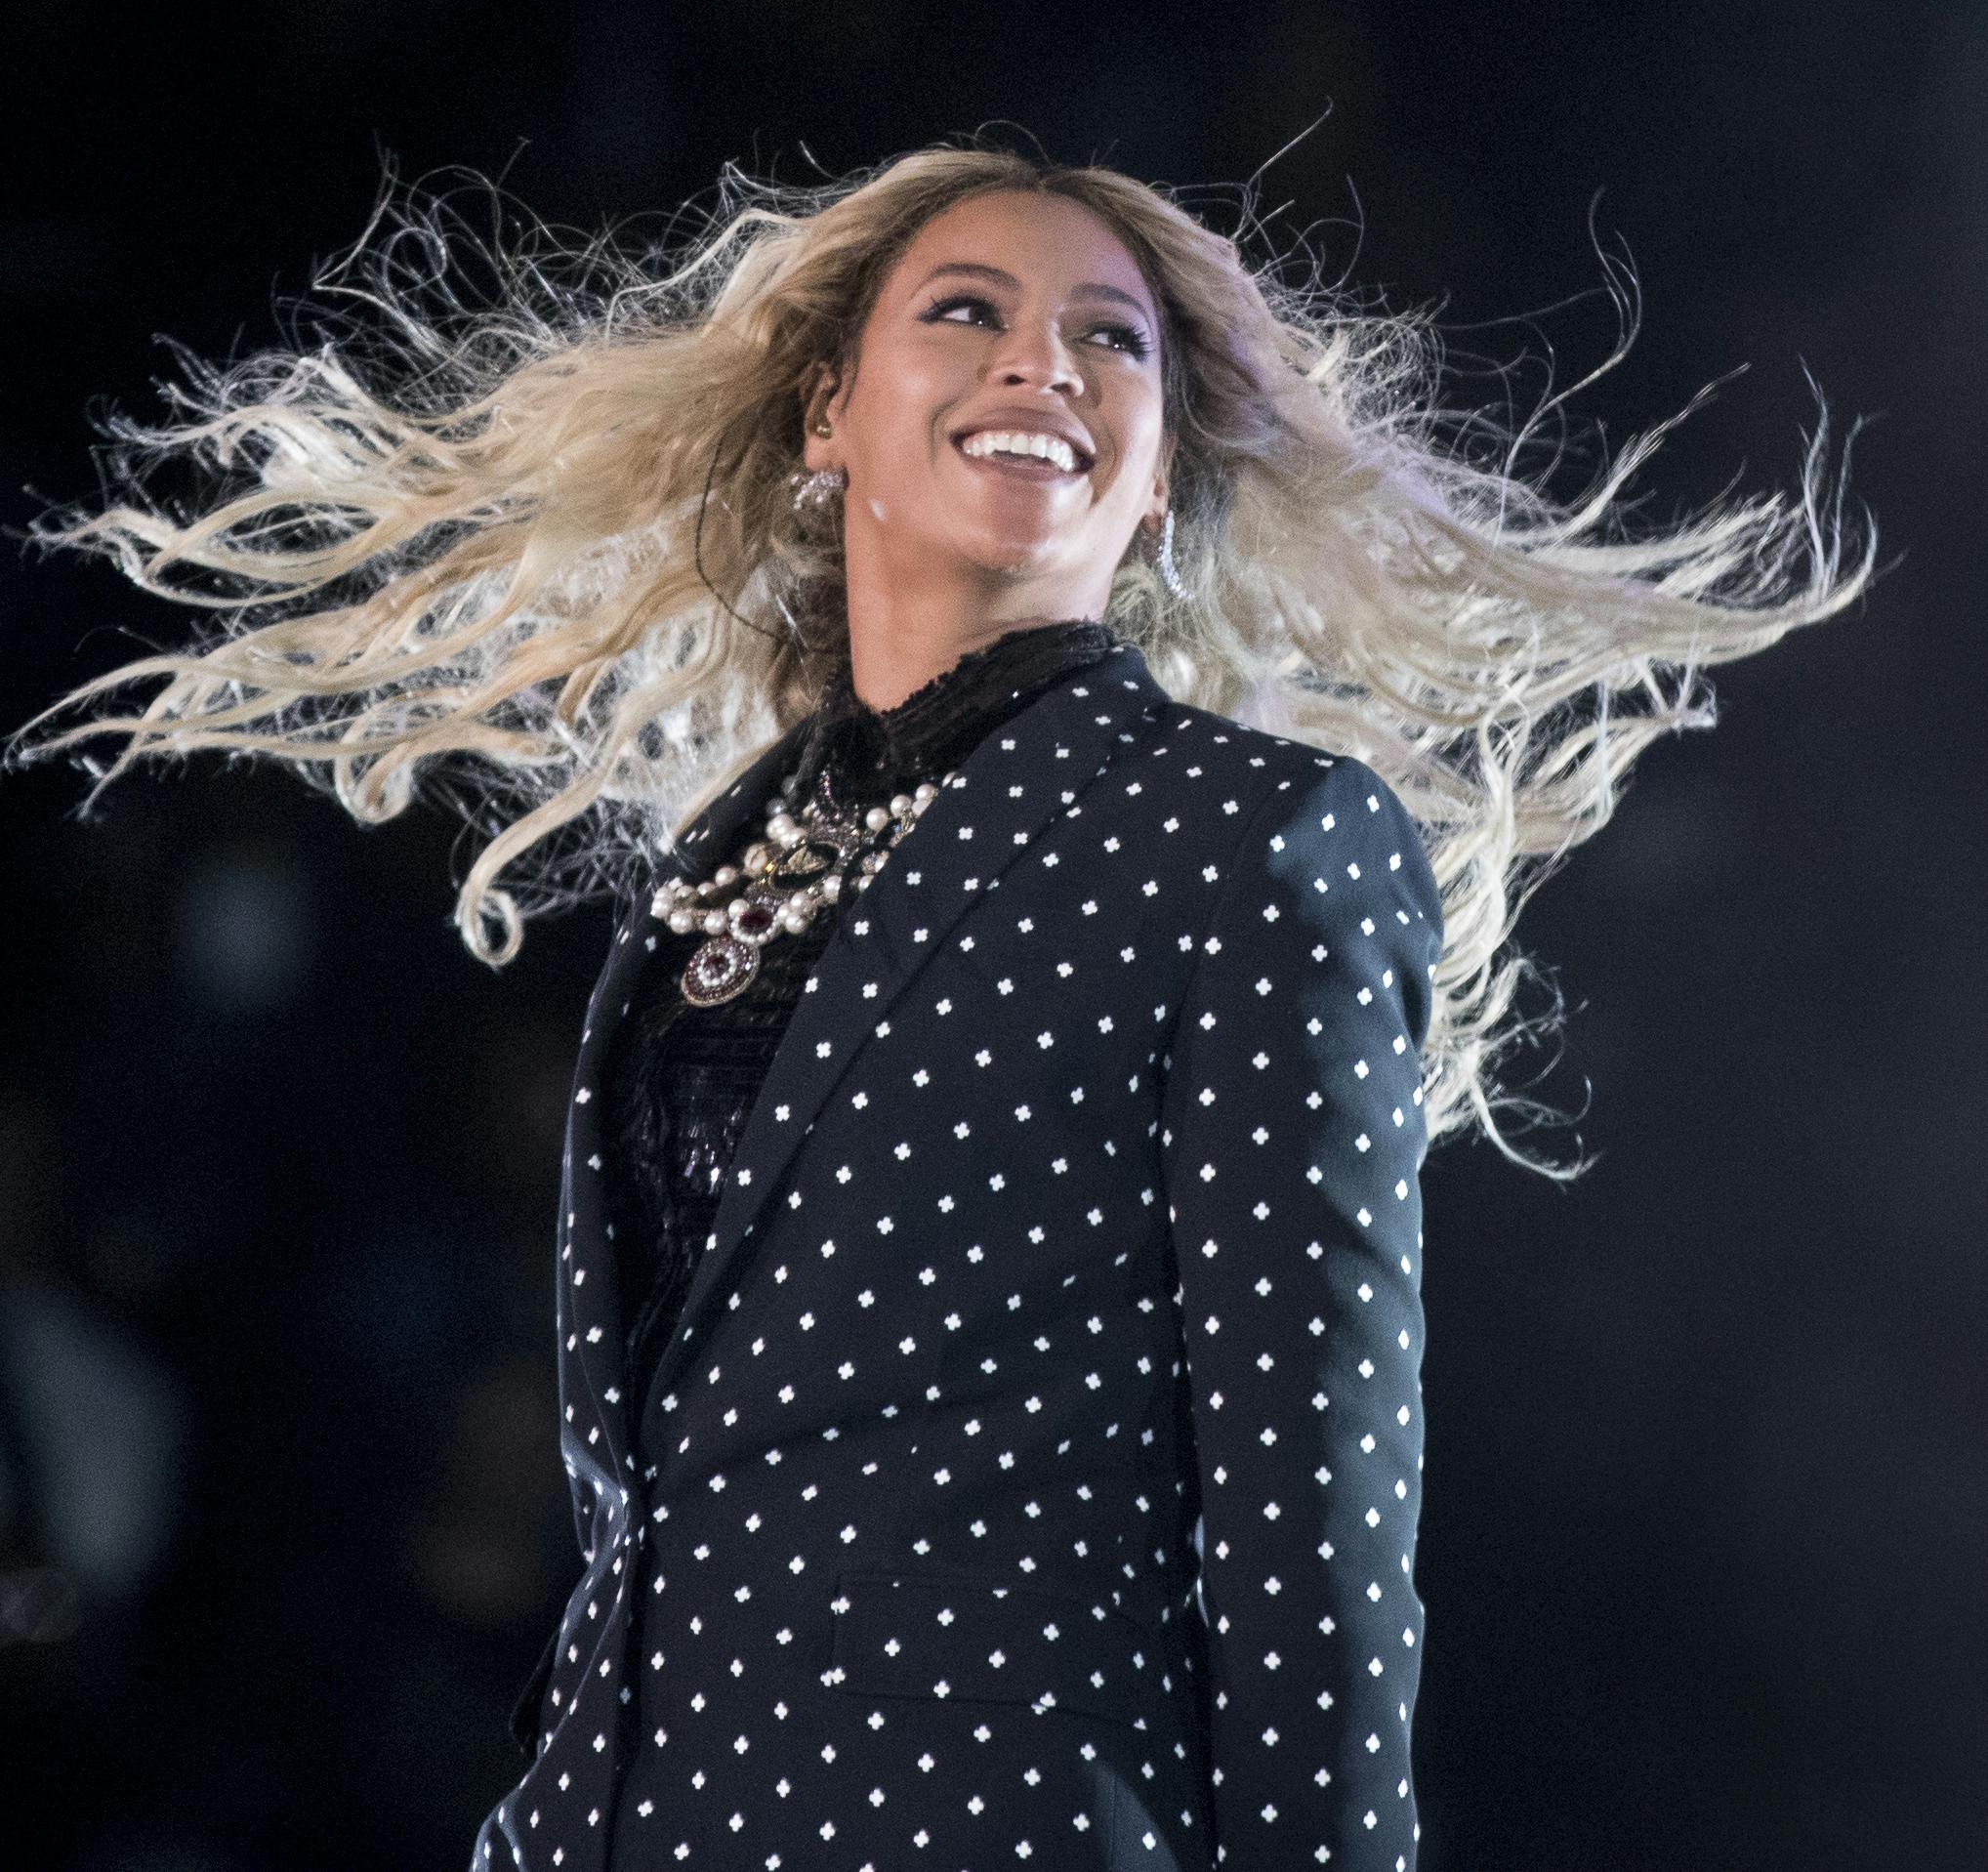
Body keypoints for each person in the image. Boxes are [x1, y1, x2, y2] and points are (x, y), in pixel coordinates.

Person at [16, 142, 1874, 1869]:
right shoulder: (722, 861)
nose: (1041, 364)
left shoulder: (1254, 840)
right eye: (968, 310)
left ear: (1157, 476)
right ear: (832, 412)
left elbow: (1315, 1526)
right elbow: (660, 1487)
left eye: (1108, 342)